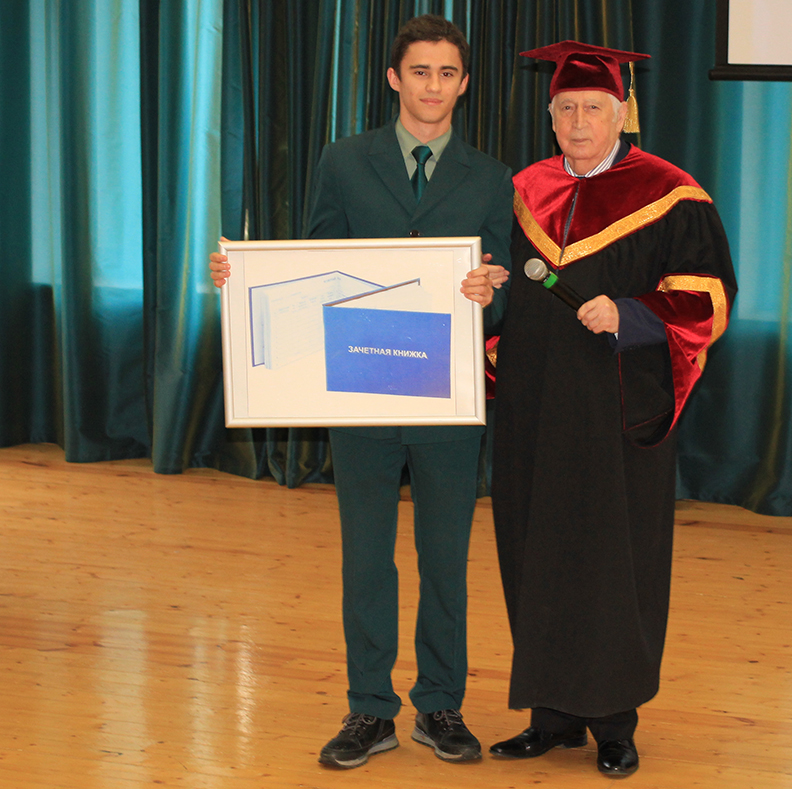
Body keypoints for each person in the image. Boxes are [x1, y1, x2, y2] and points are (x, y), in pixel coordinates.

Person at [209, 15, 512, 769]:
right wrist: (242, 280)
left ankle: (439, 704)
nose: (433, 86)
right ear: (393, 79)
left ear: (464, 85)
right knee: (367, 561)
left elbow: (504, 287)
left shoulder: (491, 177)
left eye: (447, 73)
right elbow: (313, 262)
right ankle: (370, 709)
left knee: (445, 562)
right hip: (361, 394)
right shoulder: (344, 161)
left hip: (447, 403)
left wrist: (491, 290)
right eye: (420, 71)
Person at [487, 41, 737, 777]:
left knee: (612, 564)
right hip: (534, 408)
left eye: (593, 107)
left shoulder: (671, 194)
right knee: (534, 551)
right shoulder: (523, 190)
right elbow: (497, 296)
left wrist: (631, 313)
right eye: (565, 108)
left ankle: (615, 724)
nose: (578, 122)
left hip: (617, 411)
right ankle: (551, 714)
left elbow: (708, 296)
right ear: (549, 115)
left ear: (623, 111)